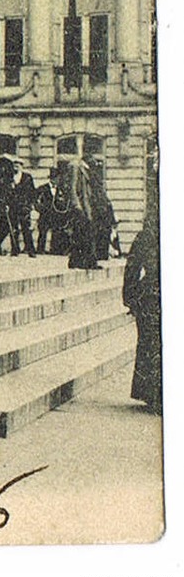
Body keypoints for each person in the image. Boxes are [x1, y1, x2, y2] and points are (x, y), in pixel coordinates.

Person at [123, 147, 160, 413]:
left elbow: (131, 269)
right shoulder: (148, 235)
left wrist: (130, 298)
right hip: (151, 296)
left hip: (150, 296)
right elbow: (132, 268)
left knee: (150, 345)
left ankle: (152, 393)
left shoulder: (146, 234)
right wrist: (131, 298)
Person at [8, 161, 38, 256]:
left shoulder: (27, 177)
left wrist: (30, 205)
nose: (15, 168)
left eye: (17, 166)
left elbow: (32, 192)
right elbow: (6, 193)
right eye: (14, 166)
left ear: (21, 167)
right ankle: (15, 249)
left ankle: (30, 250)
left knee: (26, 229)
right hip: (13, 207)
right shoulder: (9, 178)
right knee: (13, 229)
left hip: (24, 207)